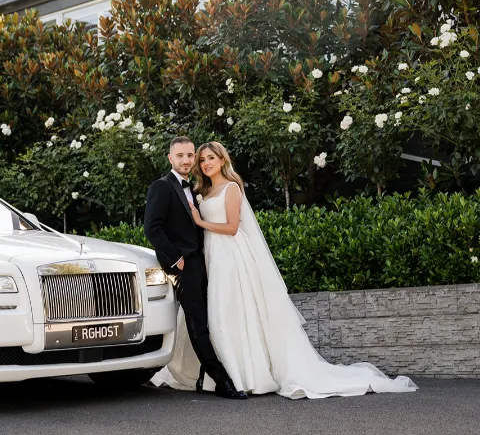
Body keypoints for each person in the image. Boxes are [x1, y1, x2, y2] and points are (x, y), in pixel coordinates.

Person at [154, 140, 418, 399]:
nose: (204, 162)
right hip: (210, 256)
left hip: (230, 256)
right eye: (202, 159)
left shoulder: (232, 188)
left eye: (210, 157)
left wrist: (201, 221)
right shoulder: (202, 191)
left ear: (223, 160)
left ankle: (245, 375)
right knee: (216, 314)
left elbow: (233, 228)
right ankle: (220, 374)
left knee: (231, 310)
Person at [143, 136, 247, 400]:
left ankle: (202, 375)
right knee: (197, 322)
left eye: (191, 155)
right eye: (180, 156)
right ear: (170, 158)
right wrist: (176, 260)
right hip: (185, 267)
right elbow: (152, 228)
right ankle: (222, 381)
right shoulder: (161, 186)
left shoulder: (197, 189)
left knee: (212, 320)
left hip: (207, 262)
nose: (187, 160)